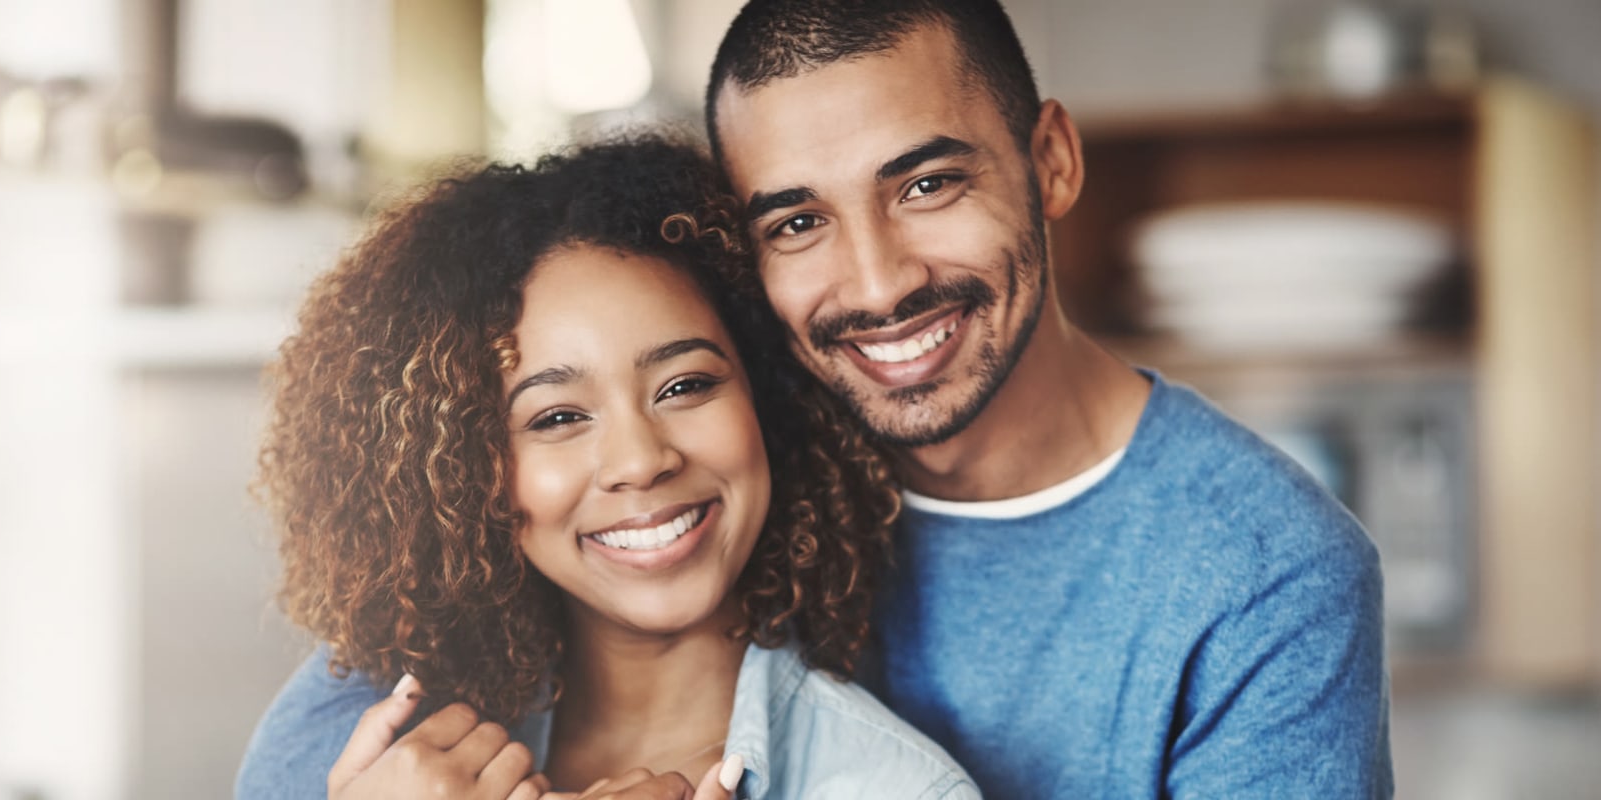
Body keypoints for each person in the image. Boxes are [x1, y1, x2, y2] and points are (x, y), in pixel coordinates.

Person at [242, 1, 1392, 797]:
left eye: (928, 183)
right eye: (796, 221)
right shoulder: (734, 439)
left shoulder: (1258, 570)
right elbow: (386, 663)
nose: (879, 282)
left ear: (1048, 161)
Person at [247, 136, 979, 799]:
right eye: (557, 418)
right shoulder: (357, 753)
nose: (640, 461)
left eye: (685, 386)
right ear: (462, 473)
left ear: (769, 398)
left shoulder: (899, 788)